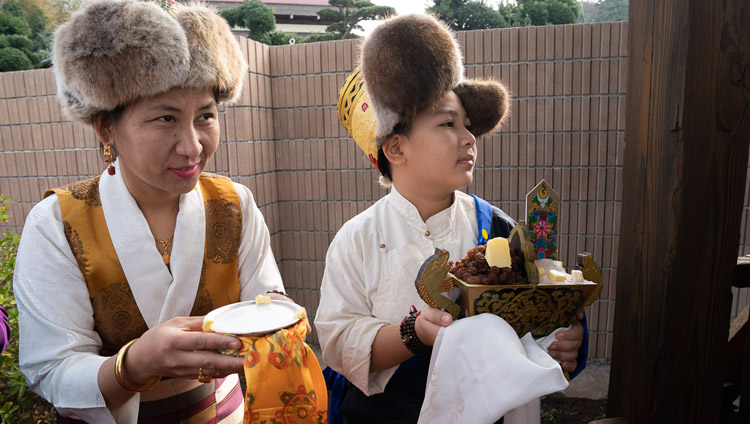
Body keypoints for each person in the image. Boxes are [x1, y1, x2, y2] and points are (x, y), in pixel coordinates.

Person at [13, 1, 286, 422]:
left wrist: (277, 322)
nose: (192, 145)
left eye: (206, 116)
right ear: (106, 127)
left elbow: (266, 307)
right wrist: (134, 365)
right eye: (165, 118)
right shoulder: (56, 223)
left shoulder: (235, 205)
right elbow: (50, 368)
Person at [315, 13, 586, 423]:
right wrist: (414, 333)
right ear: (395, 149)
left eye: (468, 125)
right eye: (447, 123)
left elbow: (530, 325)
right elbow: (339, 342)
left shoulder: (497, 229)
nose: (468, 137)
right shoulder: (358, 238)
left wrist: (563, 345)